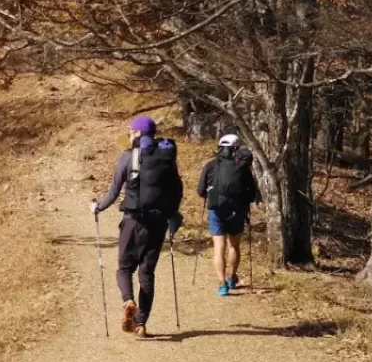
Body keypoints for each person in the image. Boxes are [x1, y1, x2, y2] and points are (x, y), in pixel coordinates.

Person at [90, 116, 183, 338]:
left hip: (133, 220)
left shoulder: (127, 157)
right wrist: (172, 215)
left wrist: (97, 207)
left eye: (131, 131)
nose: (129, 135)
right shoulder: (167, 158)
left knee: (124, 268)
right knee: (147, 273)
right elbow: (176, 189)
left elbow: (114, 191)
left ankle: (128, 300)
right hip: (158, 223)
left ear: (139, 134)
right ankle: (141, 324)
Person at [197, 133, 261, 296]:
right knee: (234, 245)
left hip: (216, 209)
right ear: (237, 149)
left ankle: (222, 284)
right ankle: (232, 277)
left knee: (219, 247)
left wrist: (211, 195)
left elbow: (200, 191)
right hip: (237, 210)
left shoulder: (210, 165)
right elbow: (252, 192)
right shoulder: (243, 168)